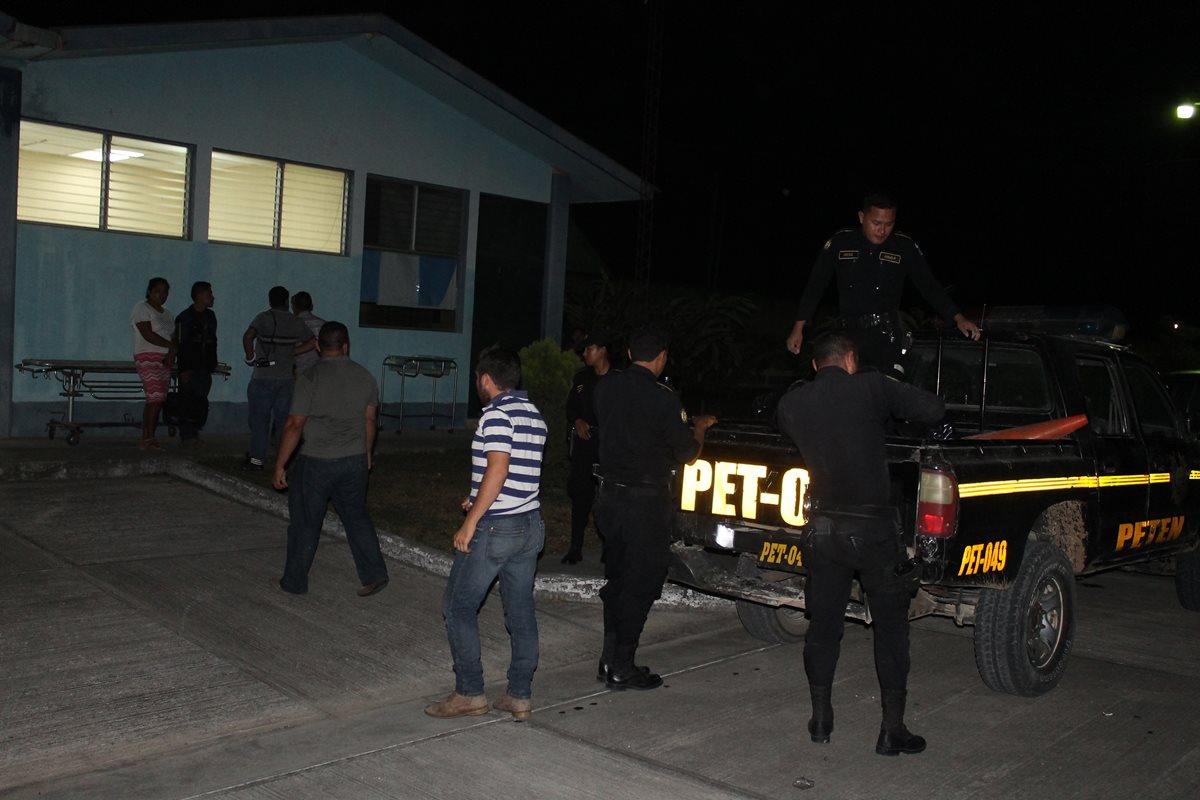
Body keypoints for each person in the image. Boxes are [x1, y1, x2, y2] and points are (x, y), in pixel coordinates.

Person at [774, 332, 945, 757]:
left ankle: (821, 720)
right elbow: (932, 410)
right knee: (890, 631)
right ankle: (892, 730)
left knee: (824, 627)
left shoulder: (792, 402)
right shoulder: (870, 385)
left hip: (823, 530)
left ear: (814, 365)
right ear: (850, 359)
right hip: (872, 531)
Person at [426, 347, 547, 721]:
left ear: (486, 380)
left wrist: (471, 521)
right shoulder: (534, 414)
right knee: (521, 611)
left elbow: (498, 467)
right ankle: (519, 695)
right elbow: (517, 472)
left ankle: (469, 692)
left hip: (497, 527)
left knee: (457, 606)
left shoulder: (495, 414)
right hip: (530, 524)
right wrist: (476, 496)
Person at [592, 326, 716, 690]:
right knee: (642, 584)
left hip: (609, 498)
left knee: (616, 580)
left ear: (629, 354)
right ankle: (622, 666)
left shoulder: (605, 388)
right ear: (661, 358)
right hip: (643, 505)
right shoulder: (664, 399)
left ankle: (609, 658)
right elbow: (687, 453)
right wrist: (700, 429)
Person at [785, 192, 981, 378]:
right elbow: (815, 285)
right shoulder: (840, 242)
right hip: (848, 335)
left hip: (886, 336)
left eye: (889, 224)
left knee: (885, 394)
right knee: (850, 395)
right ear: (862, 217)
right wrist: (798, 328)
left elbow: (929, 286)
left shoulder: (904, 246)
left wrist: (959, 318)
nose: (882, 230)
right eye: (876, 223)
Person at [272, 321, 390, 597]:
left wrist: (280, 463)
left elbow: (294, 424)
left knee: (305, 522)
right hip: (354, 460)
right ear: (346, 345)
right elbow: (370, 419)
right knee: (356, 515)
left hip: (317, 461)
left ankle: (294, 582)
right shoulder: (365, 377)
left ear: (317, 346)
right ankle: (374, 574)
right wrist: (367, 452)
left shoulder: (310, 378)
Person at [242, 286, 316, 470]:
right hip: (286, 378)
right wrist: (292, 352)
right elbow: (313, 341)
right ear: (286, 301)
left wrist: (250, 357)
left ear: (270, 300)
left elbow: (248, 336)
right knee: (284, 422)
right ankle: (282, 460)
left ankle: (257, 460)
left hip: (263, 375)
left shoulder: (263, 318)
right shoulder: (294, 321)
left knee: (259, 421)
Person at [562, 329, 612, 564]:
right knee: (581, 495)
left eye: (589, 349)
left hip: (609, 446)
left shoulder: (618, 380)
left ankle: (608, 547)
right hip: (585, 443)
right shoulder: (582, 379)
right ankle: (575, 547)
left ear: (602, 351)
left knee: (609, 497)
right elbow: (571, 408)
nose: (585, 354)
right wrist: (578, 420)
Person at [131, 277, 177, 451]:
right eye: (158, 291)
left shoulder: (167, 313)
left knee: (159, 399)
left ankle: (151, 436)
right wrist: (170, 346)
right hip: (147, 356)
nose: (162, 295)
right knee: (154, 397)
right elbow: (147, 334)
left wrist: (172, 352)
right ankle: (146, 437)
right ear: (150, 291)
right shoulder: (141, 308)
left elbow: (173, 336)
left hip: (164, 359)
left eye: (165, 291)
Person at [174, 281, 218, 447]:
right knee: (187, 400)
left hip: (205, 366)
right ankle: (187, 435)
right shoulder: (185, 318)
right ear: (199, 296)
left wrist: (212, 363)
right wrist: (184, 369)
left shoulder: (210, 316)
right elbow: (181, 345)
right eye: (209, 294)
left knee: (200, 401)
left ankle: (195, 432)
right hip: (190, 367)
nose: (212, 297)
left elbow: (213, 340)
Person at [291, 291, 325, 374]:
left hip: (298, 373)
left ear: (294, 307)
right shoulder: (324, 325)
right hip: (319, 372)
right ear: (311, 306)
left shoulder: (290, 325)